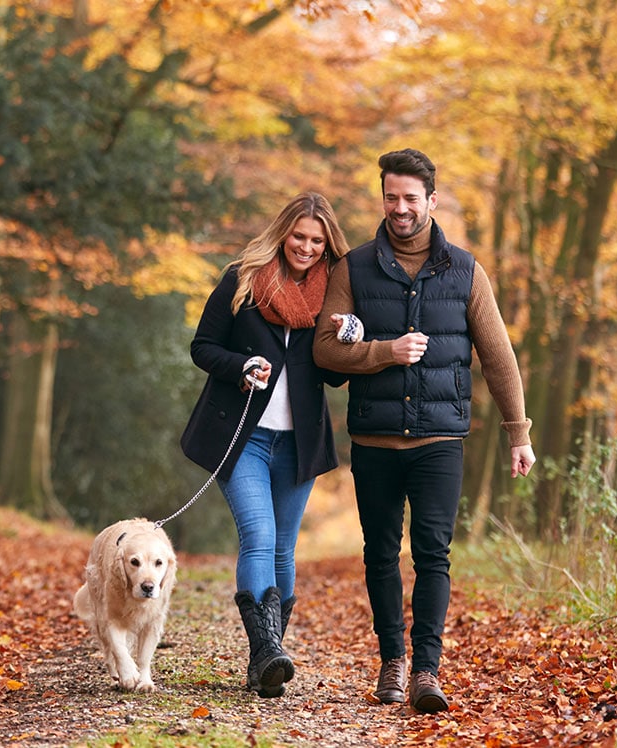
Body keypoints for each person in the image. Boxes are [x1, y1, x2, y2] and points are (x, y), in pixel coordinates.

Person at [313, 148, 537, 713]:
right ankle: (392, 662)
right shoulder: (354, 269)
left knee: (434, 554)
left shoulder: (465, 271)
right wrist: (384, 352)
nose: (401, 208)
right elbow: (323, 350)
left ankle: (427, 672)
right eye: (391, 197)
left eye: (411, 198)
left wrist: (519, 432)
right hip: (374, 440)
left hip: (440, 440)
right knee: (381, 554)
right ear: (383, 198)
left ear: (431, 201)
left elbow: (498, 356)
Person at [181, 192, 351, 698]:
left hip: (298, 443)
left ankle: (268, 658)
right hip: (244, 437)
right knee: (258, 534)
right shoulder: (243, 279)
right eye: (299, 236)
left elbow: (336, 379)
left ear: (327, 246)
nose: (306, 247)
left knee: (283, 547)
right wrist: (240, 367)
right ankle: (266, 652)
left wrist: (345, 337)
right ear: (283, 233)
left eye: (317, 241)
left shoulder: (334, 295)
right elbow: (202, 346)